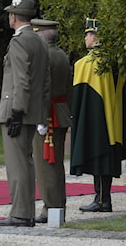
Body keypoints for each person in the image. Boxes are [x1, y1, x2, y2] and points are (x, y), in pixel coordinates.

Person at [0, 0, 50, 227]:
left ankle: (20, 213)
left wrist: (16, 111)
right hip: (32, 110)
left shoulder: (19, 42)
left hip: (17, 110)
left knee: (17, 166)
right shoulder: (39, 40)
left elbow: (21, 80)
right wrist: (40, 113)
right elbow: (45, 82)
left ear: (14, 16)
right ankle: (24, 212)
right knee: (26, 163)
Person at [70, 18, 125, 212]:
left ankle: (102, 200)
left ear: (95, 36)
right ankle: (102, 198)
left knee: (99, 159)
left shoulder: (89, 62)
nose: (85, 38)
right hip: (112, 119)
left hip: (97, 120)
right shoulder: (115, 59)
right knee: (104, 159)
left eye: (87, 34)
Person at [30, 19, 72, 223]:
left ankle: (52, 207)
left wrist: (41, 117)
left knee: (45, 165)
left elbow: (43, 90)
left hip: (48, 115)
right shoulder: (61, 54)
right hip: (60, 112)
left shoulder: (44, 56)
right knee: (54, 165)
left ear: (41, 35)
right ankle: (56, 205)